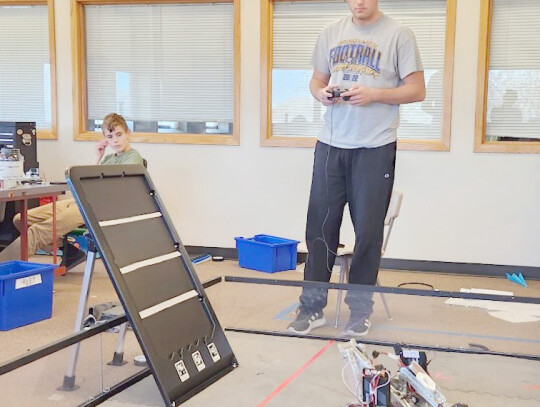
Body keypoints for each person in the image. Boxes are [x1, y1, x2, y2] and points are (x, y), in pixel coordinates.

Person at [288, 0, 425, 336]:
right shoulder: (330, 33)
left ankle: (360, 311)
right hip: (330, 145)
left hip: (374, 148)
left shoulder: (399, 35)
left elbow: (417, 90)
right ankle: (312, 307)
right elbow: (316, 80)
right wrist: (321, 93)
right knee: (319, 230)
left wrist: (375, 94)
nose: (359, 2)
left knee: (367, 234)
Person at [0, 113, 144, 262]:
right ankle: (69, 250)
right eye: (110, 137)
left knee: (38, 231)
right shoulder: (108, 158)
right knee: (20, 219)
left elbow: (120, 188)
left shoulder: (132, 157)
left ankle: (4, 268)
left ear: (128, 133)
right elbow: (87, 182)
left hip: (98, 208)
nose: (115, 140)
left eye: (119, 135)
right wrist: (97, 157)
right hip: (81, 201)